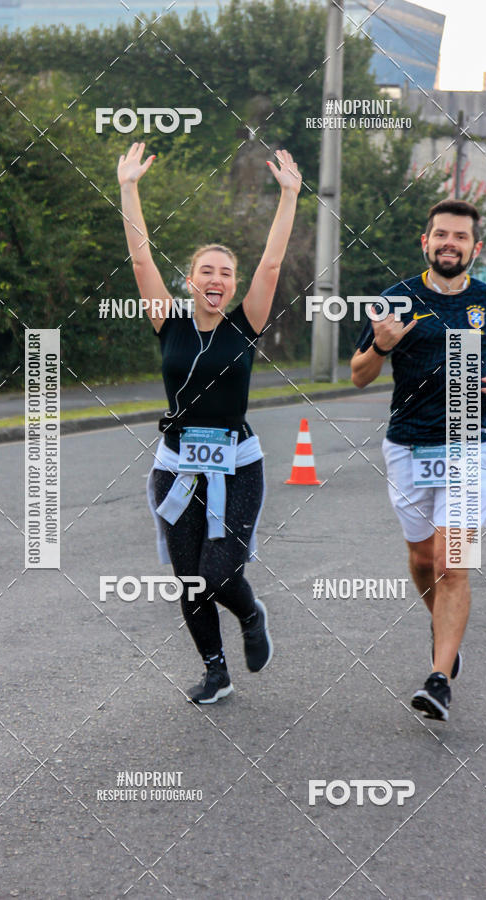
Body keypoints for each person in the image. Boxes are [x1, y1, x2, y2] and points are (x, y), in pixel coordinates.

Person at [117, 142, 302, 703]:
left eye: (225, 272)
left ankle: (250, 614)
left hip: (236, 465)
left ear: (233, 282)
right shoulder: (168, 320)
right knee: (190, 579)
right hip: (175, 467)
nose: (216, 278)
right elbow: (142, 260)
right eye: (206, 271)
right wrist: (128, 188)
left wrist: (289, 196)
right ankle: (215, 670)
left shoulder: (245, 323)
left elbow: (271, 263)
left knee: (220, 573)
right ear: (192, 280)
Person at [351, 199, 486, 721]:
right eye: (441, 235)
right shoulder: (395, 300)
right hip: (409, 447)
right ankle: (447, 634)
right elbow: (359, 375)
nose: (450, 243)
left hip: (469, 448)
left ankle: (438, 675)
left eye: (460, 237)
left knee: (454, 563)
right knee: (424, 561)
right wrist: (380, 347)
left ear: (475, 247)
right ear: (425, 242)